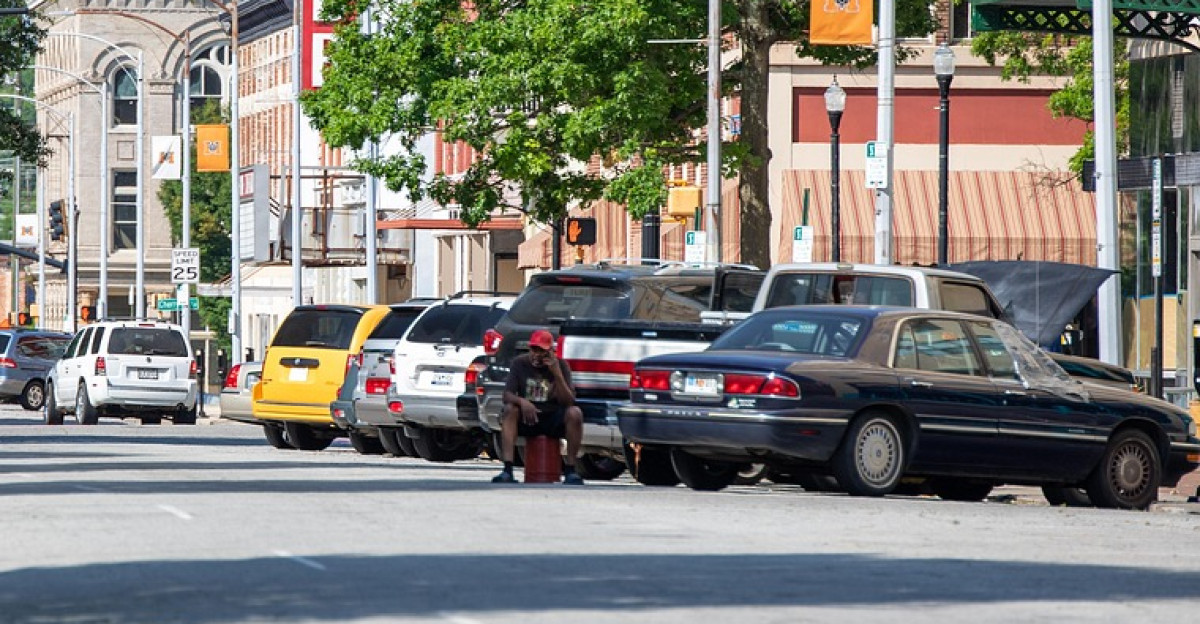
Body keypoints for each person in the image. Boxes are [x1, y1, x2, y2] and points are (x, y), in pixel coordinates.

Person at [492, 329, 585, 485]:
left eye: (541, 351)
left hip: (552, 417)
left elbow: (568, 401)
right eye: (534, 350)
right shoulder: (519, 363)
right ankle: (507, 469)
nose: (537, 355)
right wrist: (523, 402)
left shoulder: (561, 365)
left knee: (575, 413)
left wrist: (557, 374)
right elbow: (506, 395)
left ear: (550, 352)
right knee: (509, 410)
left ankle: (570, 469)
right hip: (527, 418)